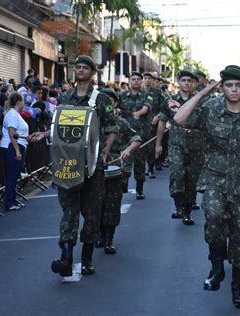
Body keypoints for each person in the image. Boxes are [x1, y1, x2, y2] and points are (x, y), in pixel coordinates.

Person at [171, 65, 240, 309]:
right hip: (214, 176)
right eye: (228, 85)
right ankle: (216, 266)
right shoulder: (211, 109)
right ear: (221, 87)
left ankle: (238, 288)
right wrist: (202, 94)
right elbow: (179, 119)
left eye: (238, 85)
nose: (234, 90)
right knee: (213, 218)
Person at [29, 55, 118, 277]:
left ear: (92, 72)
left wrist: (105, 150)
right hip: (67, 165)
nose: (79, 70)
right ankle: (66, 258)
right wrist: (44, 133)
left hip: (92, 166)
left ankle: (86, 259)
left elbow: (112, 129)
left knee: (91, 213)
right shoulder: (65, 98)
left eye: (84, 67)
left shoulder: (101, 99)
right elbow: (61, 127)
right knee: (69, 212)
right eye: (76, 67)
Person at [96, 88, 141, 254]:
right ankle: (99, 234)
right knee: (95, 204)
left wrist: (128, 150)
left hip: (114, 167)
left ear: (115, 103)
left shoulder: (121, 123)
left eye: (110, 100)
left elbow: (136, 138)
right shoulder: (92, 121)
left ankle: (109, 239)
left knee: (112, 205)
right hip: (94, 166)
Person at [156, 70, 204, 225]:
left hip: (195, 146)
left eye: (189, 80)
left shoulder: (199, 101)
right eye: (183, 80)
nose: (186, 83)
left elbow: (205, 122)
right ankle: (178, 206)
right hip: (176, 145)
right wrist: (158, 144)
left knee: (191, 180)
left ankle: (187, 212)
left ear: (193, 83)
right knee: (177, 174)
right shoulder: (170, 102)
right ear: (178, 82)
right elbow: (162, 122)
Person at [118, 72, 152, 199]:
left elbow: (147, 107)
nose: (136, 81)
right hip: (126, 134)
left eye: (138, 79)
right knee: (125, 160)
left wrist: (139, 113)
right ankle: (123, 185)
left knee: (140, 163)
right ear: (129, 81)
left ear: (141, 81)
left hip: (141, 134)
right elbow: (118, 107)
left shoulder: (147, 95)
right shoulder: (122, 96)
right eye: (133, 79)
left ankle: (139, 189)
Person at [0, 92, 28, 211]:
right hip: (11, 147)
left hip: (15, 147)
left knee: (14, 176)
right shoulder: (12, 114)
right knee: (11, 176)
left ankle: (13, 200)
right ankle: (9, 203)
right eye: (23, 101)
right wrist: (17, 151)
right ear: (18, 102)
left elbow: (18, 134)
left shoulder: (15, 114)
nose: (24, 104)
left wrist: (27, 137)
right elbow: (12, 134)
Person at [142, 72, 163, 178]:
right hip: (140, 125)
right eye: (144, 78)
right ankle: (142, 168)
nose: (146, 80)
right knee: (141, 148)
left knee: (150, 147)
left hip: (152, 124)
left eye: (148, 78)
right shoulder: (139, 93)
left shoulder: (156, 93)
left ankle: (150, 168)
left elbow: (163, 108)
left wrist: (158, 116)